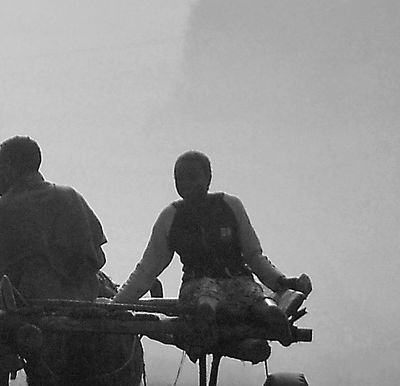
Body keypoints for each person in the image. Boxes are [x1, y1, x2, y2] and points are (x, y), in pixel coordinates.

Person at [113, 150, 311, 352]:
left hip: (239, 282)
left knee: (261, 302)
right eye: (180, 178)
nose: (186, 183)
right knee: (206, 303)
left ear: (208, 178)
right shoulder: (170, 217)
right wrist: (118, 304)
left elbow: (254, 256)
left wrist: (280, 282)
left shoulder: (230, 206)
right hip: (197, 284)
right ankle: (211, 324)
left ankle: (272, 316)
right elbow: (148, 269)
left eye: (192, 177)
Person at [0, 135, 110, 386]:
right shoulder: (70, 196)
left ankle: (1, 380)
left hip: (31, 304)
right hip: (83, 296)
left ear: (12, 167)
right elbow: (98, 255)